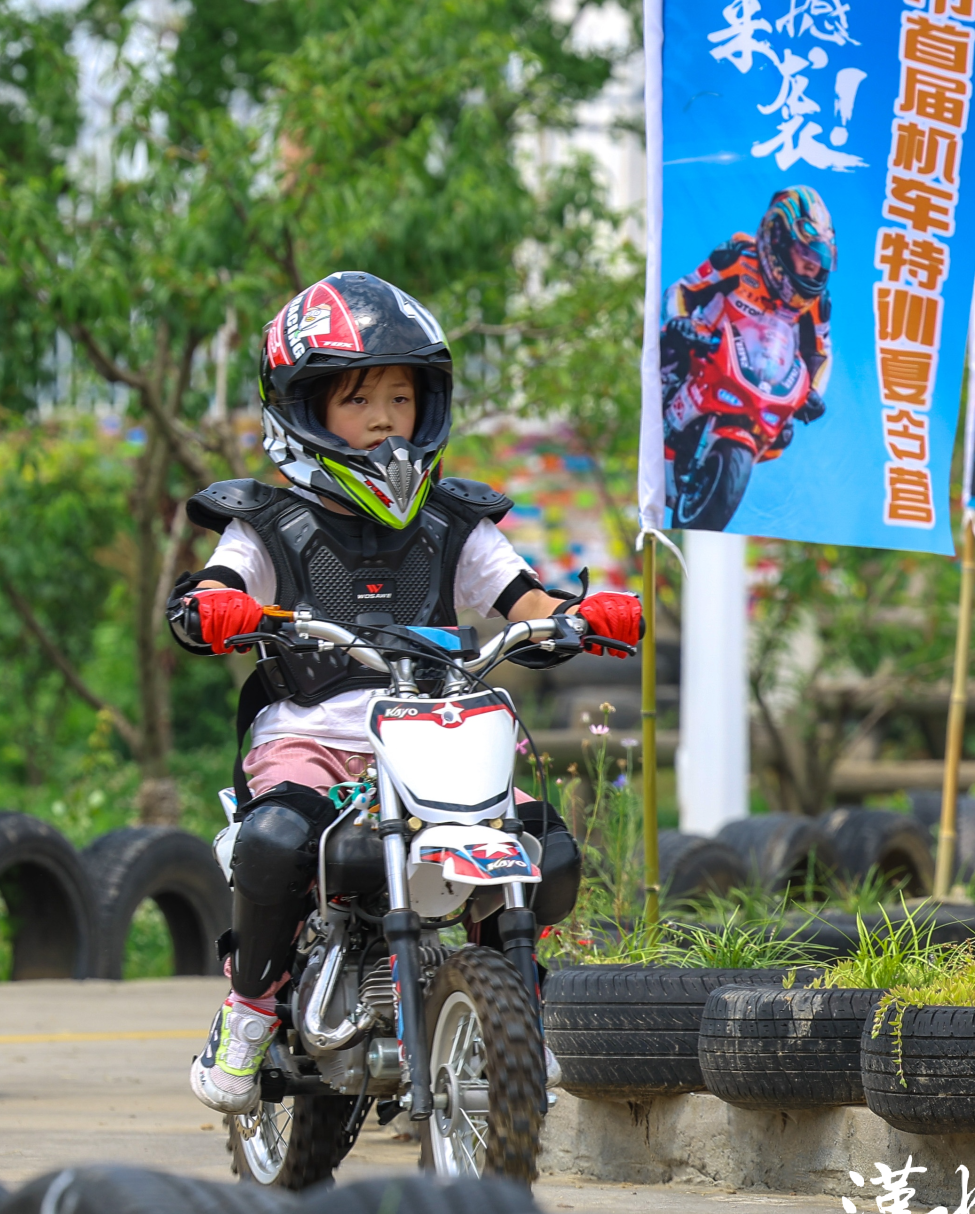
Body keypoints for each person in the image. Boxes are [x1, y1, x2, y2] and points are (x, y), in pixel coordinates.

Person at [165, 271, 644, 1115]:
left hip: (435, 726)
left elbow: (523, 601)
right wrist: (214, 606)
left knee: (545, 848)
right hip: (314, 736)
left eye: (401, 394)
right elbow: (218, 585)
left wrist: (580, 614)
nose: (386, 417)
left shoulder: (455, 523)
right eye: (358, 400)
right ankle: (248, 1011)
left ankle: (516, 1010)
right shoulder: (269, 523)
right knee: (277, 840)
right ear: (304, 410)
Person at [660, 185, 834, 458]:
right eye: (806, 256)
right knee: (667, 349)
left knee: (784, 435)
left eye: (819, 261)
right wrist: (678, 320)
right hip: (704, 349)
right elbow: (682, 290)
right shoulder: (738, 257)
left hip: (762, 376)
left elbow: (819, 354)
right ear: (779, 239)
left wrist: (812, 393)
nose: (813, 269)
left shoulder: (816, 303)